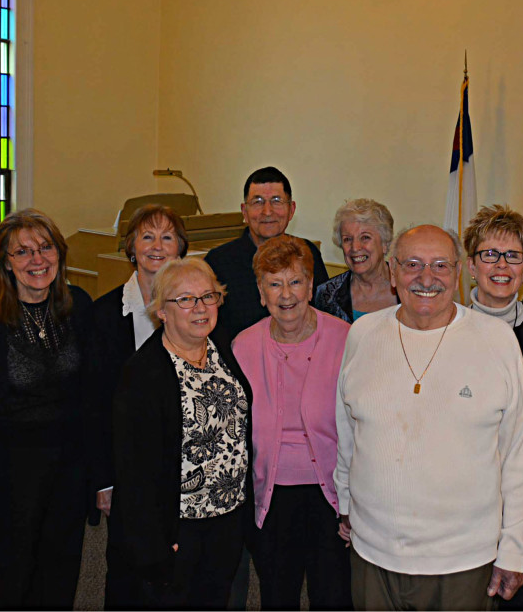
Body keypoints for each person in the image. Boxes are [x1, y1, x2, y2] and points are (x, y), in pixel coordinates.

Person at [335, 224, 523, 611]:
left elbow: (519, 457)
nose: (426, 278)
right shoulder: (363, 334)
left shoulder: (496, 340)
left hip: (463, 560)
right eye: (412, 264)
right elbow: (348, 432)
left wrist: (514, 549)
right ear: (393, 273)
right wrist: (345, 502)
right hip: (374, 553)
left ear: (458, 272)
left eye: (440, 265)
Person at [0, 208, 94, 610]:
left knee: (60, 575)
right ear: (6, 262)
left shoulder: (79, 306)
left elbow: (94, 391)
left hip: (68, 473)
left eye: (45, 248)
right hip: (8, 478)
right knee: (12, 582)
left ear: (60, 254)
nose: (36, 260)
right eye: (22, 252)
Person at [110, 257, 252, 610]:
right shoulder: (143, 374)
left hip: (227, 519)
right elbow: (134, 470)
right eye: (185, 299)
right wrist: (154, 542)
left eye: (208, 296)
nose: (200, 308)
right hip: (178, 529)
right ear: (162, 311)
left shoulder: (221, 347)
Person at [233, 235, 352, 610]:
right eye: (275, 283)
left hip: (331, 496)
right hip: (270, 493)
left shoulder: (347, 340)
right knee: (277, 596)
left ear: (311, 285)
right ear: (261, 291)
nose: (286, 294)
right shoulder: (243, 346)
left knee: (332, 597)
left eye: (296, 281)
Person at [89, 204, 188, 608]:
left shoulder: (196, 308)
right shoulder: (103, 314)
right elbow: (94, 405)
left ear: (181, 248)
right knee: (128, 573)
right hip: (127, 471)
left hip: (183, 469)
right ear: (131, 246)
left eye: (167, 237)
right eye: (147, 236)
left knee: (181, 572)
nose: (157, 246)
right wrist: (104, 480)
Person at [462, 204, 523, 609]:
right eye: (489, 254)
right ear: (470, 265)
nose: (501, 265)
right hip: (466, 494)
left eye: (512, 255)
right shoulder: (449, 327)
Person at [205, 166, 329, 341]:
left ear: (291, 209)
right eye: (258, 201)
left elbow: (323, 314)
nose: (267, 211)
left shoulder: (307, 253)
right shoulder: (218, 262)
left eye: (277, 200)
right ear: (244, 212)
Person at [314, 198, 398, 322]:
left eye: (365, 237)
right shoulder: (326, 294)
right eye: (347, 239)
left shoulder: (406, 288)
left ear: (385, 244)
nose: (355, 247)